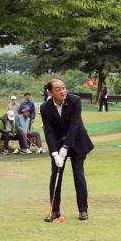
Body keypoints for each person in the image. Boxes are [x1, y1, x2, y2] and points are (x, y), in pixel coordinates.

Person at [40, 78, 94, 221]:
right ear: (50, 92)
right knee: (55, 176)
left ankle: (83, 210)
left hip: (77, 141)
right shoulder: (45, 107)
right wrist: (54, 153)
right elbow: (49, 131)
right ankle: (54, 211)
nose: (62, 91)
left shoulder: (75, 100)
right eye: (58, 89)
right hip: (57, 144)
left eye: (63, 87)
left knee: (78, 174)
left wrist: (65, 147)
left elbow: (74, 125)